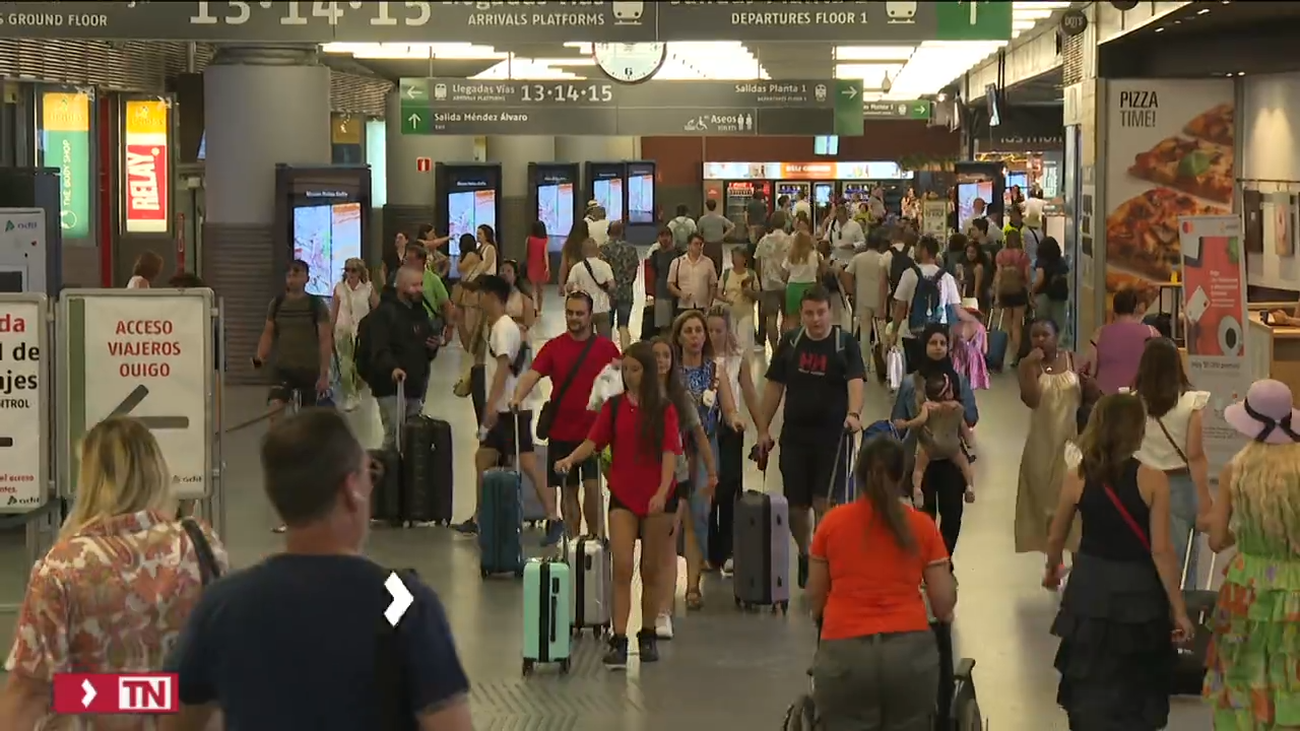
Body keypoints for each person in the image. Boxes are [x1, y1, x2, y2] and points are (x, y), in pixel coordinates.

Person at [162, 410, 472, 731]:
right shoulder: (403, 603)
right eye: (370, 473)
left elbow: (174, 721)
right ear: (352, 488)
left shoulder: (225, 605)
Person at [0, 418, 227, 730]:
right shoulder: (201, 546)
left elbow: (28, 692)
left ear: (90, 482)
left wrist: (78, 695)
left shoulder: (64, 566)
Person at [1044, 393, 1192, 731]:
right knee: (1136, 682)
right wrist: (1179, 609)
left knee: (1089, 676)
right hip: (1139, 593)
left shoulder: (1078, 476)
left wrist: (1052, 568)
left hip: (1089, 589)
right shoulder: (1154, 480)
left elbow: (1057, 535)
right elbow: (1161, 550)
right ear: (1137, 431)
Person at [806, 435, 957, 731]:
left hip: (846, 656)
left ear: (859, 475)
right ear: (902, 475)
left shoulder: (831, 524)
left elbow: (816, 599)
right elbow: (942, 604)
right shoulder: (922, 526)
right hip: (908, 658)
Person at [553, 341, 680, 670]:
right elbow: (592, 442)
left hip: (657, 497)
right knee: (621, 566)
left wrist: (663, 491)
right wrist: (569, 459)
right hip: (623, 493)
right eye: (624, 369)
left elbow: (670, 455)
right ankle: (619, 637)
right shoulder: (613, 407)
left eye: (635, 369)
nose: (628, 375)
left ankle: (648, 631)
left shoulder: (664, 410)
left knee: (650, 569)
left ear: (647, 372)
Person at [1203, 379, 1300, 729]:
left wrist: (1244, 532)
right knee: (1292, 674)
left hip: (1247, 587)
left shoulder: (1235, 471)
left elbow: (1216, 541)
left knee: (1246, 671)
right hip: (1296, 589)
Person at [755, 286, 865, 588]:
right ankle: (805, 553)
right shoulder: (791, 343)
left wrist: (853, 414)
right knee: (796, 506)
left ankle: (822, 558)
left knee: (825, 504)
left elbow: (856, 382)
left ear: (830, 311)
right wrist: (763, 429)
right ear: (801, 314)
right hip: (796, 436)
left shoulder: (845, 344)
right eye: (809, 313)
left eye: (820, 312)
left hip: (833, 436)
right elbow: (774, 387)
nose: (815, 319)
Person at [511, 291, 621, 539]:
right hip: (561, 432)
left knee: (592, 490)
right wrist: (517, 396)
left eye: (579, 313)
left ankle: (595, 539)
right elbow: (532, 375)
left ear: (590, 316)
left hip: (594, 435)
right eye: (570, 313)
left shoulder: (606, 348)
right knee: (567, 491)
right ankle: (572, 544)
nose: (574, 318)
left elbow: (623, 380)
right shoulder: (554, 347)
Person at [466, 275, 560, 546]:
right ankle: (479, 516)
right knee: (483, 459)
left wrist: (490, 407)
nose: (476, 299)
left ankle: (553, 516)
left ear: (491, 297)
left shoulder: (502, 329)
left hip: (510, 408)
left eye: (480, 294)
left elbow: (503, 369)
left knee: (528, 463)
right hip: (506, 407)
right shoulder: (499, 326)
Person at [672, 310, 744, 610]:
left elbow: (728, 408)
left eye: (698, 331)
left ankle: (692, 584)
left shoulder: (716, 371)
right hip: (673, 449)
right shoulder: (669, 371)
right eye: (688, 331)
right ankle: (670, 576)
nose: (694, 336)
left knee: (700, 512)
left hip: (706, 449)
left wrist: (736, 419)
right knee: (672, 514)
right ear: (678, 336)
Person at [890, 323, 980, 556]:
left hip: (951, 455)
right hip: (922, 454)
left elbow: (971, 415)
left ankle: (943, 559)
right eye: (933, 343)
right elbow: (897, 420)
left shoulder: (958, 380)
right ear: (924, 346)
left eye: (942, 343)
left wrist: (954, 410)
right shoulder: (911, 383)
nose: (938, 348)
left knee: (952, 514)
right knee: (924, 516)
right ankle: (927, 562)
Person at [650, 336, 715, 638]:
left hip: (680, 473)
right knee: (664, 535)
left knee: (684, 527)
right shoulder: (637, 394)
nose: (662, 361)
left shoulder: (681, 397)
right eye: (657, 356)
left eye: (666, 355)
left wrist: (711, 471)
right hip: (647, 476)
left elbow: (700, 435)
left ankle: (690, 586)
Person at [1132, 337, 1210, 583]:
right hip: (1179, 486)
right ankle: (1181, 611)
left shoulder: (1132, 402)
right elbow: (1195, 456)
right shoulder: (1191, 403)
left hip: (1139, 484)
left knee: (1141, 550)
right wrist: (1205, 499)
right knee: (1182, 558)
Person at [1015, 318, 1082, 556]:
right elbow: (1031, 400)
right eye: (1036, 335)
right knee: (1045, 507)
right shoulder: (1028, 366)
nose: (1041, 339)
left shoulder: (1073, 359)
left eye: (1046, 334)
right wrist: (1028, 366)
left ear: (1056, 336)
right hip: (1041, 446)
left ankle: (1077, 561)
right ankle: (1054, 562)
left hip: (1072, 445)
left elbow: (1089, 395)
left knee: (1073, 504)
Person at [704, 306, 762, 575]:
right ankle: (709, 548)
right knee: (707, 489)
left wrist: (762, 427)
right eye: (710, 330)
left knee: (729, 486)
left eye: (718, 330)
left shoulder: (738, 358)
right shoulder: (698, 358)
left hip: (731, 427)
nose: (713, 335)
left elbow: (749, 392)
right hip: (704, 428)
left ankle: (728, 548)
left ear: (727, 331)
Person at [366, 267, 440, 451]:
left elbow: (425, 347)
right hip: (390, 385)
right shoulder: (384, 313)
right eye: (414, 285)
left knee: (411, 438)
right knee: (393, 435)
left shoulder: (420, 312)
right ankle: (388, 475)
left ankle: (409, 476)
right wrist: (392, 368)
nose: (420, 289)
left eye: (421, 284)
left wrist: (432, 347)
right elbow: (379, 347)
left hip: (414, 384)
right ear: (400, 287)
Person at [254, 259, 332, 416]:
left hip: (309, 369)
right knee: (275, 409)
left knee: (307, 419)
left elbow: (325, 339)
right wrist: (260, 357)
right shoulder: (277, 304)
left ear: (307, 278)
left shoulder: (316, 305)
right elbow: (268, 333)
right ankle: (278, 440)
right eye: (289, 275)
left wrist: (324, 375)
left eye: (297, 274)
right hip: (283, 369)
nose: (292, 278)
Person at [894, 373, 976, 505]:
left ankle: (917, 489)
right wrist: (969, 442)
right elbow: (964, 427)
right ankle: (970, 486)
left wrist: (905, 424)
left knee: (919, 469)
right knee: (964, 464)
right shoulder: (957, 407)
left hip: (931, 446)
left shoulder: (928, 407)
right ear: (948, 393)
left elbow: (920, 421)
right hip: (952, 446)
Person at [889, 234, 964, 373]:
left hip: (913, 332)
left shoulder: (909, 274)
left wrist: (894, 331)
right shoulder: (946, 277)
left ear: (923, 250)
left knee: (915, 372)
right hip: (939, 334)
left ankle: (917, 393)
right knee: (938, 371)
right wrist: (954, 335)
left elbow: (900, 307)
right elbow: (955, 309)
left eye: (917, 248)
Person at [330, 257, 379, 411]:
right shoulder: (339, 288)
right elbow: (334, 312)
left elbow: (377, 308)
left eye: (353, 270)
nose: (350, 273)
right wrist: (330, 333)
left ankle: (356, 390)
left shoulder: (368, 288)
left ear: (360, 272)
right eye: (347, 270)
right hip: (342, 331)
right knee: (344, 366)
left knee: (359, 367)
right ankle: (350, 395)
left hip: (361, 332)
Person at [992, 228, 1032, 367]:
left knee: (1008, 324)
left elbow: (998, 276)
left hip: (1005, 291)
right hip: (1019, 291)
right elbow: (1027, 277)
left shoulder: (1001, 255)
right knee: (1017, 325)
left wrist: (997, 296)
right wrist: (1030, 292)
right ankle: (1017, 355)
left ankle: (1011, 349)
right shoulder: (1023, 256)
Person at [600, 220, 640, 351]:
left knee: (606, 326)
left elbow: (600, 272)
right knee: (623, 325)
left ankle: (606, 353)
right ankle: (626, 352)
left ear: (608, 232)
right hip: (626, 291)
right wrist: (627, 283)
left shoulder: (604, 248)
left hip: (608, 293)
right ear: (623, 232)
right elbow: (634, 271)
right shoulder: (631, 249)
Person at [847, 234, 887, 368]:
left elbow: (847, 274)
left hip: (862, 297)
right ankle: (883, 360)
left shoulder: (858, 258)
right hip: (880, 298)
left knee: (864, 331)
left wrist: (851, 291)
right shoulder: (883, 259)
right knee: (881, 332)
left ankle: (865, 363)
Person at [754, 210, 792, 348]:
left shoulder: (764, 240)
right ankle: (784, 346)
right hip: (787, 283)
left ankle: (774, 349)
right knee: (787, 317)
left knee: (771, 317)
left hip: (768, 284)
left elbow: (757, 262)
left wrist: (760, 279)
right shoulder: (790, 240)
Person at [566, 237, 617, 340]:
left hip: (584, 310)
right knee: (605, 342)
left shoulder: (577, 267)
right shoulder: (605, 266)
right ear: (597, 250)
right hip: (603, 308)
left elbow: (569, 287)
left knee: (584, 340)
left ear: (583, 251)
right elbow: (612, 286)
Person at [717, 246, 759, 352]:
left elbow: (758, 294)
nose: (735, 259)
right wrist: (726, 300)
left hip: (747, 312)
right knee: (731, 343)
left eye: (738, 256)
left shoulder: (751, 274)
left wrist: (750, 293)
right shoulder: (726, 274)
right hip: (730, 311)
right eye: (733, 256)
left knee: (746, 344)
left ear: (744, 259)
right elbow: (718, 293)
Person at [666, 233, 717, 317]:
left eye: (701, 244)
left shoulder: (708, 262)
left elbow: (713, 284)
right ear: (689, 245)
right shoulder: (677, 262)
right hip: (683, 305)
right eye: (696, 244)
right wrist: (680, 294)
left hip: (702, 306)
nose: (699, 247)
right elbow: (670, 284)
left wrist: (709, 303)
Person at [646, 226, 684, 335]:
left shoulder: (678, 253)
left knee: (677, 323)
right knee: (663, 325)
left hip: (677, 292)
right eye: (662, 236)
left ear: (671, 237)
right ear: (658, 238)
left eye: (667, 236)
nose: (664, 239)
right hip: (661, 291)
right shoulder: (656, 255)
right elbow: (654, 272)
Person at [1033, 237, 1071, 337]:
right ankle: (1055, 346)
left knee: (1043, 325)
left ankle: (1043, 347)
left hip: (1043, 296)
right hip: (1059, 297)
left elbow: (1040, 278)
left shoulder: (1041, 261)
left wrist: (1031, 292)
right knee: (1057, 326)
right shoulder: (1062, 262)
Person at [783, 230, 824, 319]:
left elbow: (784, 275)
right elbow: (820, 273)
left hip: (793, 287)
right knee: (810, 318)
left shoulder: (790, 256)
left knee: (793, 319)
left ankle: (794, 333)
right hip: (810, 288)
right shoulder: (816, 255)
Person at [696, 199, 734, 273]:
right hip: (718, 244)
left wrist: (702, 238)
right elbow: (732, 226)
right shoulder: (720, 218)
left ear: (706, 206)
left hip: (707, 244)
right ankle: (717, 279)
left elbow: (698, 231)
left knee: (706, 264)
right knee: (718, 264)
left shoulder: (702, 219)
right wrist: (723, 236)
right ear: (715, 206)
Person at [525, 220, 550, 314]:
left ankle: (533, 307)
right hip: (541, 265)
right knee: (541, 290)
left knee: (533, 289)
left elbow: (526, 252)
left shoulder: (529, 239)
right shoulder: (545, 240)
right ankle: (539, 309)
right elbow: (545, 254)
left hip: (532, 264)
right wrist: (547, 267)